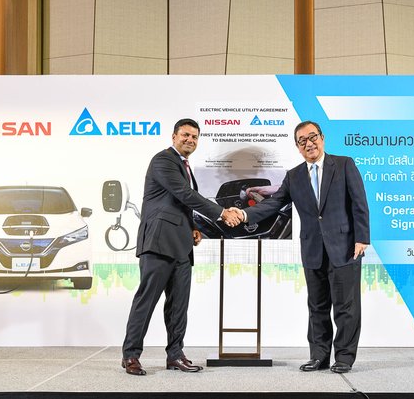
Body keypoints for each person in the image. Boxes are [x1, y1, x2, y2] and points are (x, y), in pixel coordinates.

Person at [233, 120, 369, 374]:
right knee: (316, 306)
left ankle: (344, 358)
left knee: (346, 307)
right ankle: (319, 356)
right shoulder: (293, 175)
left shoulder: (344, 164)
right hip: (313, 250)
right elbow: (273, 204)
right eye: (302, 141)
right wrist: (244, 216)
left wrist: (362, 238)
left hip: (345, 247)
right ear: (297, 147)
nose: (309, 143)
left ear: (322, 138)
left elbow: (359, 202)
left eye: (313, 137)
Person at [122, 118, 241, 376]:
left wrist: (192, 228)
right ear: (174, 136)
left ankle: (175, 355)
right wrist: (221, 213)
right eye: (186, 135)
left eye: (195, 137)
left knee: (179, 306)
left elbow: (179, 205)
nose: (190, 140)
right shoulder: (163, 160)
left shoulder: (185, 166)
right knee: (147, 300)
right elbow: (184, 195)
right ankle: (131, 355)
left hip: (182, 246)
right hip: (158, 243)